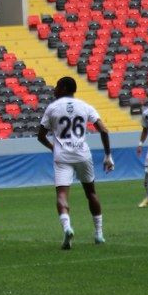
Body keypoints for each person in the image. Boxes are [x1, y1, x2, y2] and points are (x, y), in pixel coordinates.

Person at [37, 76, 114, 249]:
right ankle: (99, 234)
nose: (54, 89)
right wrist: (108, 155)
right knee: (91, 193)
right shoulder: (85, 106)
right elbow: (103, 129)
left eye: (57, 85)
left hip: (62, 156)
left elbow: (40, 136)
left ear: (64, 88)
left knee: (62, 195)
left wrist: (53, 148)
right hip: (82, 154)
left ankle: (67, 228)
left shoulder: (52, 108)